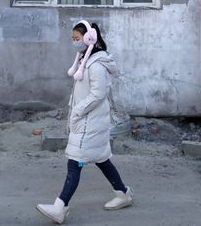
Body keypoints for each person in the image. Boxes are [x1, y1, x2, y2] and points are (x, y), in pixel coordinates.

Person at [36, 20, 133, 224]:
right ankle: (123, 194)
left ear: (90, 38)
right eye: (72, 39)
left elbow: (98, 94)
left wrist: (78, 111)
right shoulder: (85, 60)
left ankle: (60, 207)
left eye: (77, 38)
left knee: (75, 162)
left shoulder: (96, 65)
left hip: (90, 121)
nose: (74, 42)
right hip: (87, 120)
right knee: (102, 159)